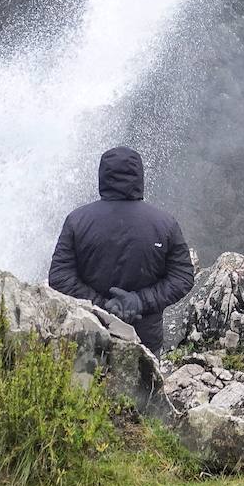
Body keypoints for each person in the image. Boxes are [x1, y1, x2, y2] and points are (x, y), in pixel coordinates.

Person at [48, 146, 194, 352]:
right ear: (139, 176)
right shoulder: (164, 223)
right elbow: (183, 277)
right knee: (144, 383)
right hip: (144, 338)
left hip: (90, 330)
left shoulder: (77, 221)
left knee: (88, 383)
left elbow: (60, 276)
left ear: (103, 176)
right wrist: (139, 302)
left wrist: (101, 306)